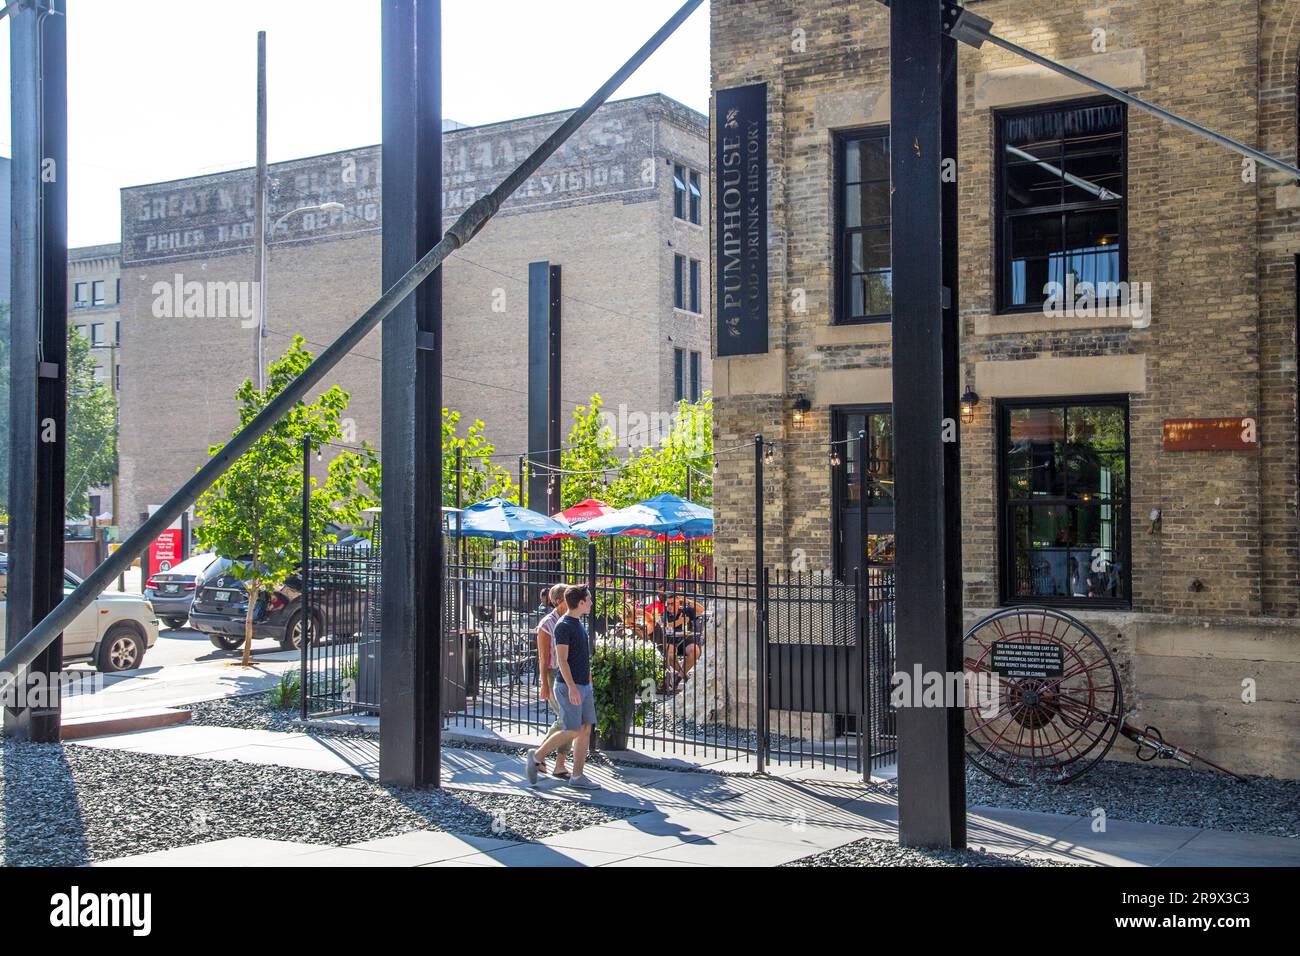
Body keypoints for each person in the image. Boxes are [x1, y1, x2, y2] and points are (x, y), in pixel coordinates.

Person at [526, 585, 600, 790]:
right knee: (572, 729)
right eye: (589, 599)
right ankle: (537, 756)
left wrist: (588, 681)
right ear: (581, 602)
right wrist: (572, 687)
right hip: (570, 686)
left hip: (583, 684)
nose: (592, 603)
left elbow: (581, 657)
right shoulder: (563, 625)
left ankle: (577, 776)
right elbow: (562, 660)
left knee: (585, 728)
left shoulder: (577, 623)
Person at [534, 583, 572, 779]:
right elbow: (543, 657)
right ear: (559, 601)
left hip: (567, 674)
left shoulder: (569, 619)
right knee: (566, 718)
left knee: (568, 719)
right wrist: (544, 683)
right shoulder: (547, 624)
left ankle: (559, 764)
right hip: (553, 673)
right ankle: (540, 754)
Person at [662, 592, 705, 688]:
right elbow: (665, 625)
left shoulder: (685, 610)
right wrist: (679, 622)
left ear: (678, 602)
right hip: (672, 640)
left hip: (687, 640)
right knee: (670, 653)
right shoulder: (665, 613)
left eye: (672, 604)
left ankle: (679, 677)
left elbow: (702, 610)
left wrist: (687, 601)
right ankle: (684, 676)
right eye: (668, 604)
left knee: (695, 650)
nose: (669, 606)